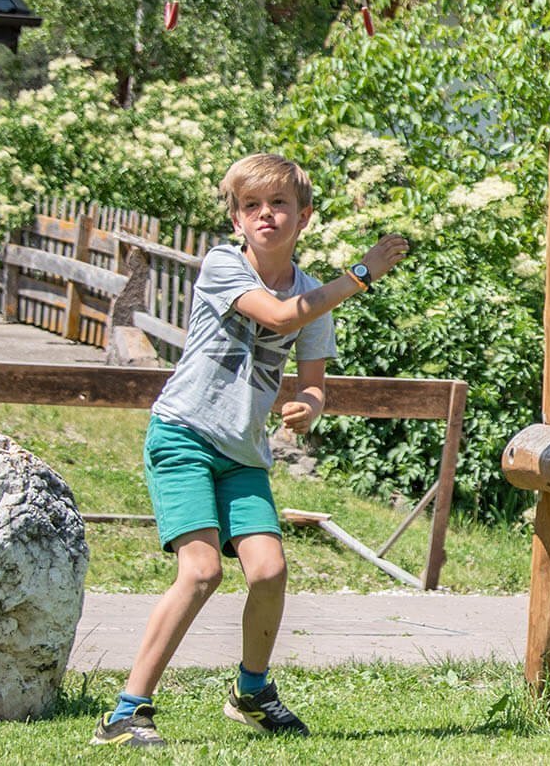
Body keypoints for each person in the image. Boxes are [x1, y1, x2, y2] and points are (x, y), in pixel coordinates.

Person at [91, 154, 408, 747]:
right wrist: (360, 275)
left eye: (280, 204)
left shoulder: (315, 292)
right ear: (237, 219)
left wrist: (310, 406)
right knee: (202, 570)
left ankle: (252, 692)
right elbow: (281, 314)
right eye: (252, 206)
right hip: (183, 434)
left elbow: (312, 377)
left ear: (303, 217)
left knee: (269, 570)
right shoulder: (221, 265)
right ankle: (126, 713)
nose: (266, 214)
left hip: (243, 453)